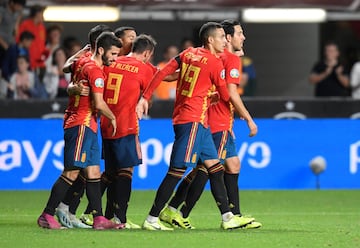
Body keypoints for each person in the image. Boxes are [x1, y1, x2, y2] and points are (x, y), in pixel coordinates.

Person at [136, 21, 254, 231]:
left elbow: (162, 73)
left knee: (215, 169)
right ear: (210, 40)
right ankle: (152, 218)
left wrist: (145, 97)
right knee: (177, 171)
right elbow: (227, 95)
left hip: (197, 121)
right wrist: (225, 101)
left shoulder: (188, 54)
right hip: (192, 120)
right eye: (220, 37)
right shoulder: (215, 63)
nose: (224, 41)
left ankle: (228, 217)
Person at [37, 31, 124, 230]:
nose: (114, 58)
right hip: (81, 124)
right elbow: (99, 104)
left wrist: (72, 88)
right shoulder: (95, 70)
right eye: (112, 54)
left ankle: (99, 219)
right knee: (71, 172)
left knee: (93, 172)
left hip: (88, 124)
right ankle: (47, 214)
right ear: (101, 50)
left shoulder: (82, 61)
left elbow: (69, 68)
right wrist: (113, 117)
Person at [99, 34, 158, 229]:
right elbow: (163, 78)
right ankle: (120, 218)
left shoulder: (113, 61)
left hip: (106, 123)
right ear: (147, 53)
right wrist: (146, 98)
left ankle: (94, 214)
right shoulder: (144, 68)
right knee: (126, 171)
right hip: (125, 124)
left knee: (110, 172)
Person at [17, 4, 47, 82]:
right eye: (41, 13)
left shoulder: (42, 27)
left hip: (40, 63)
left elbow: (42, 44)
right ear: (37, 13)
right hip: (28, 63)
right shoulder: (25, 25)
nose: (42, 16)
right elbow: (18, 41)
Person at [1, 30, 34, 97]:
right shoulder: (12, 49)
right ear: (24, 40)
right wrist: (9, 77)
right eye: (30, 41)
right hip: (12, 78)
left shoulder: (26, 51)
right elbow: (5, 65)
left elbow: (28, 65)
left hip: (24, 80)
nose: (30, 44)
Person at [0, 0, 26, 67]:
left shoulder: (18, 13)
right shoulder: (2, 11)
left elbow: (16, 28)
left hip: (10, 43)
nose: (19, 8)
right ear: (12, 3)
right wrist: (4, 44)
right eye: (18, 5)